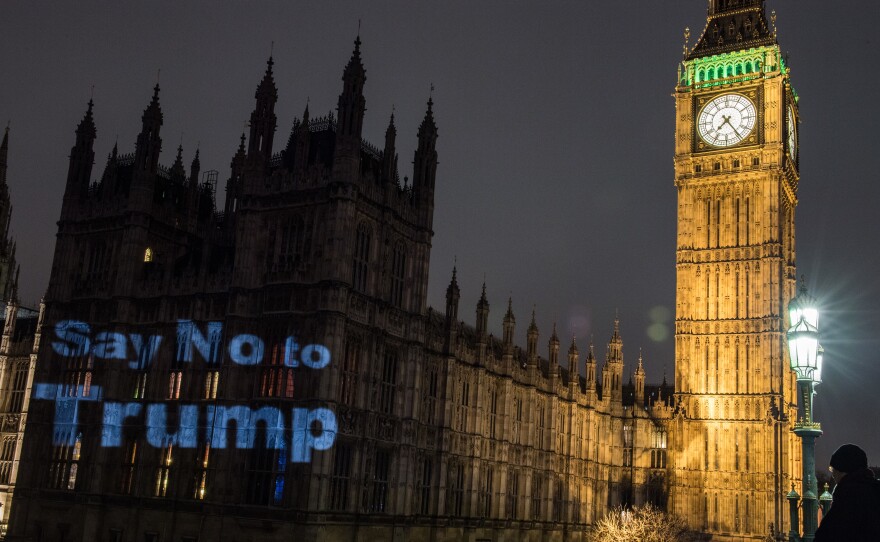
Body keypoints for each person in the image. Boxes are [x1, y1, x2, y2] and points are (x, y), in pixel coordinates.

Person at [814, 443, 880, 541]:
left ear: (842, 470)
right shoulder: (874, 490)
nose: (832, 474)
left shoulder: (847, 495)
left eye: (833, 469)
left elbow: (827, 533)